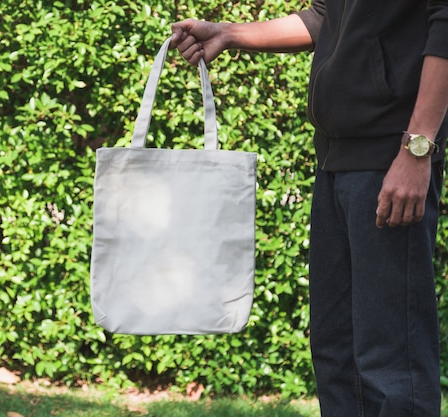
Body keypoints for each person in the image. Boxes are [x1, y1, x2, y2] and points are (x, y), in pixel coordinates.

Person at [170, 1, 448, 416]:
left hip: (389, 159)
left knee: (392, 363)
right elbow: (323, 16)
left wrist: (417, 149)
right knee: (336, 353)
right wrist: (229, 33)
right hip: (336, 161)